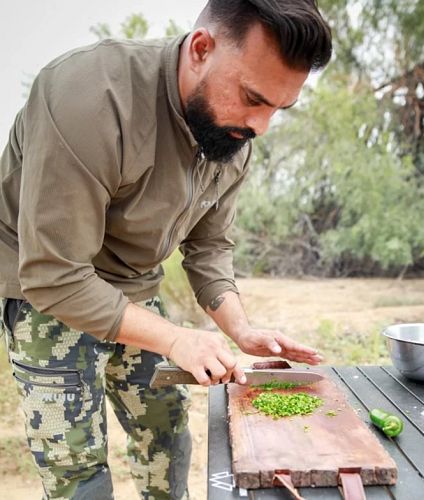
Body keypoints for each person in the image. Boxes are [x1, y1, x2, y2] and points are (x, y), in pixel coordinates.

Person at [0, 0, 332, 498]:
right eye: (252, 98)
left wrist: (240, 329)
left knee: (168, 438)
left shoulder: (231, 131)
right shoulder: (89, 96)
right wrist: (176, 339)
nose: (261, 127)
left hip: (134, 290)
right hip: (44, 295)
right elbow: (55, 274)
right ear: (201, 49)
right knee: (79, 475)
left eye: (277, 109)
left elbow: (209, 245)